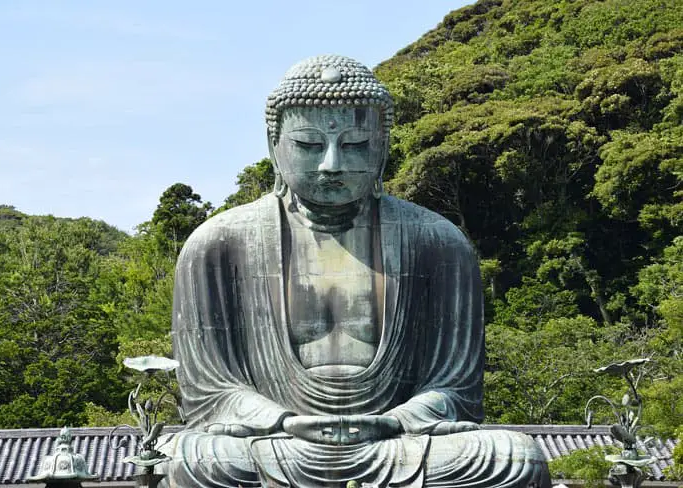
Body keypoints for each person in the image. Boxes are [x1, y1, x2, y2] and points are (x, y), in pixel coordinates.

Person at [157, 55, 551, 487]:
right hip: (277, 444)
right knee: (198, 459)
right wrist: (285, 421)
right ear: (274, 145)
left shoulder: (437, 242)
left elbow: (455, 390)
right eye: (308, 145)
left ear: (382, 147)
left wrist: (394, 420)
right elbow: (210, 393)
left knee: (515, 457)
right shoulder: (218, 244)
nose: (331, 164)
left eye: (356, 145)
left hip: (398, 443)